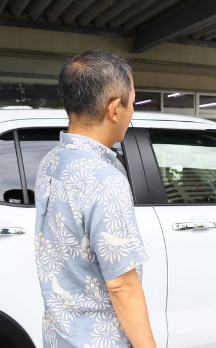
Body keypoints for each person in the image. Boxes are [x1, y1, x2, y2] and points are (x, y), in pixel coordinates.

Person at [35, 49, 157, 348]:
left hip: (59, 334)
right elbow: (121, 287)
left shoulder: (52, 161)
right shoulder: (103, 179)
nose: (132, 112)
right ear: (114, 109)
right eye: (132, 102)